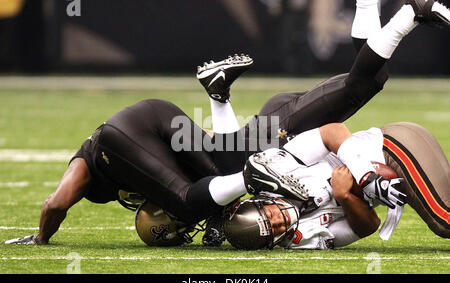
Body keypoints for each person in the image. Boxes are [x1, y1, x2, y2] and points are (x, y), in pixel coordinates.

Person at [5, 0, 449, 246]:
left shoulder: (94, 159)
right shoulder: (143, 161)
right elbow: (218, 148)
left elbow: (55, 204)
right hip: (203, 127)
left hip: (266, 133)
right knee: (363, 81)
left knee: (355, 90)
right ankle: (370, 5)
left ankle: (411, 11)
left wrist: (39, 240)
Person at [226, 120, 449, 250]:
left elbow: (333, 131)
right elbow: (367, 226)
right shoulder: (301, 238)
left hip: (391, 147)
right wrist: (345, 197)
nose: (280, 222)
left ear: (261, 201)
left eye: (270, 216)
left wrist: (365, 177)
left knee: (444, 221)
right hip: (393, 180)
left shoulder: (279, 169)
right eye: (273, 230)